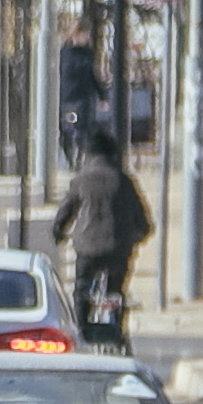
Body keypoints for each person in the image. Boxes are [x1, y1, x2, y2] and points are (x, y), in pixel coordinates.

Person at [59, 123, 148, 347]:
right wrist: (135, 238)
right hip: (118, 248)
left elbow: (65, 212)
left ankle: (80, 330)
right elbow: (144, 220)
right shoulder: (124, 181)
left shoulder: (81, 180)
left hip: (87, 248)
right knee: (116, 289)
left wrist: (58, 232)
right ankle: (116, 328)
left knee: (81, 288)